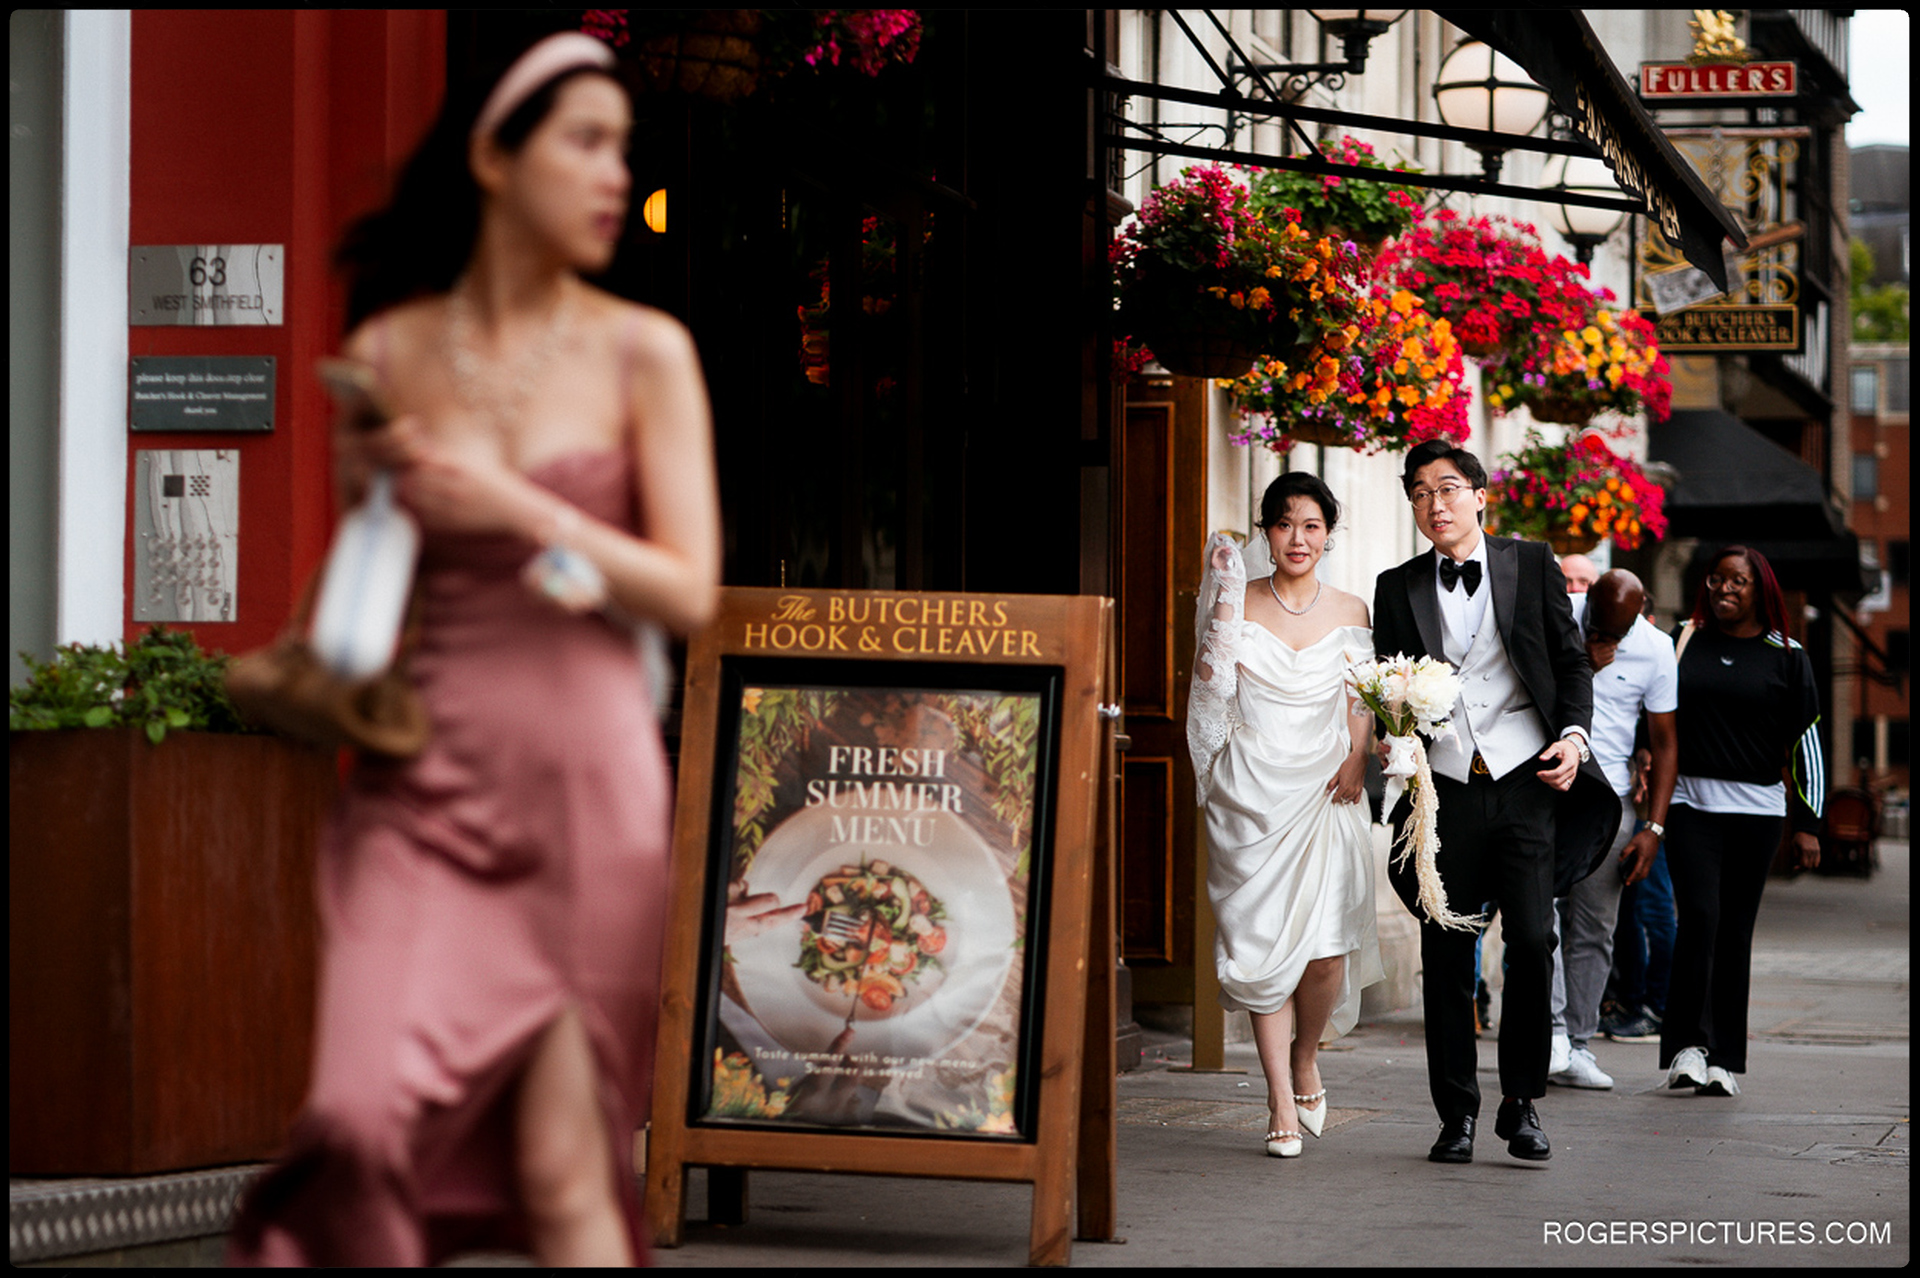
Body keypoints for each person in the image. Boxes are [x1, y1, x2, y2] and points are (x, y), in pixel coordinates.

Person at [229, 31, 721, 1266]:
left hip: (587, 794)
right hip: (424, 784)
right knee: (352, 1121)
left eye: (626, 149)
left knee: (565, 1177)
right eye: (587, 143)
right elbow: (363, 588)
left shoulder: (643, 352)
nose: (618, 176)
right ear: (496, 159)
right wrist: (378, 501)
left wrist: (517, 509)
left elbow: (690, 592)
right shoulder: (394, 348)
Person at [1370, 438, 1619, 1165]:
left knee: (1534, 944)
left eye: (1447, 488)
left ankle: (1523, 1102)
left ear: (1479, 495)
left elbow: (1571, 662)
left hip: (1526, 781)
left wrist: (1573, 738)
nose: (1434, 503)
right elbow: (1390, 691)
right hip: (1441, 792)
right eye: (1419, 493)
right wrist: (1396, 746)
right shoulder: (1397, 586)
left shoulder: (1532, 562)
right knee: (1446, 954)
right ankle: (1457, 1115)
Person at [1187, 472, 1384, 1159]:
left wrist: (1359, 756)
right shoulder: (1234, 603)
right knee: (1262, 946)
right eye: (1283, 524)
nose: (1297, 538)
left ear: (1328, 533)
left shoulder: (1355, 609)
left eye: (1310, 525)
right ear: (1265, 532)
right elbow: (1210, 695)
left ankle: (1306, 1055)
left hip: (1328, 790)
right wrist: (1218, 604)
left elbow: (1365, 697)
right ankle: (1277, 1097)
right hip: (1251, 795)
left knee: (1326, 953)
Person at [1661, 546, 1823, 1097]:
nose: (1725, 589)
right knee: (1700, 917)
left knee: (1734, 930)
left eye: (1739, 581)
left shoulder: (1787, 655)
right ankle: (1687, 1047)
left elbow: (1808, 746)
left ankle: (1725, 1058)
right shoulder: (1684, 641)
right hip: (1690, 805)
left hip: (1758, 813)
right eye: (1717, 579)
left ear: (1762, 590)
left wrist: (1809, 824)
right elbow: (1654, 712)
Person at [1547, 570, 1677, 1090]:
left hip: (1611, 802)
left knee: (1596, 927)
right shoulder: (1561, 614)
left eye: (1613, 634)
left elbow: (1666, 741)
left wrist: (1653, 828)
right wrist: (1582, 658)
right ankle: (1548, 1034)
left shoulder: (1656, 648)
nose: (1603, 638)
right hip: (1549, 786)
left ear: (1641, 614)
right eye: (1596, 625)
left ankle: (1578, 1043)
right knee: (1541, 919)